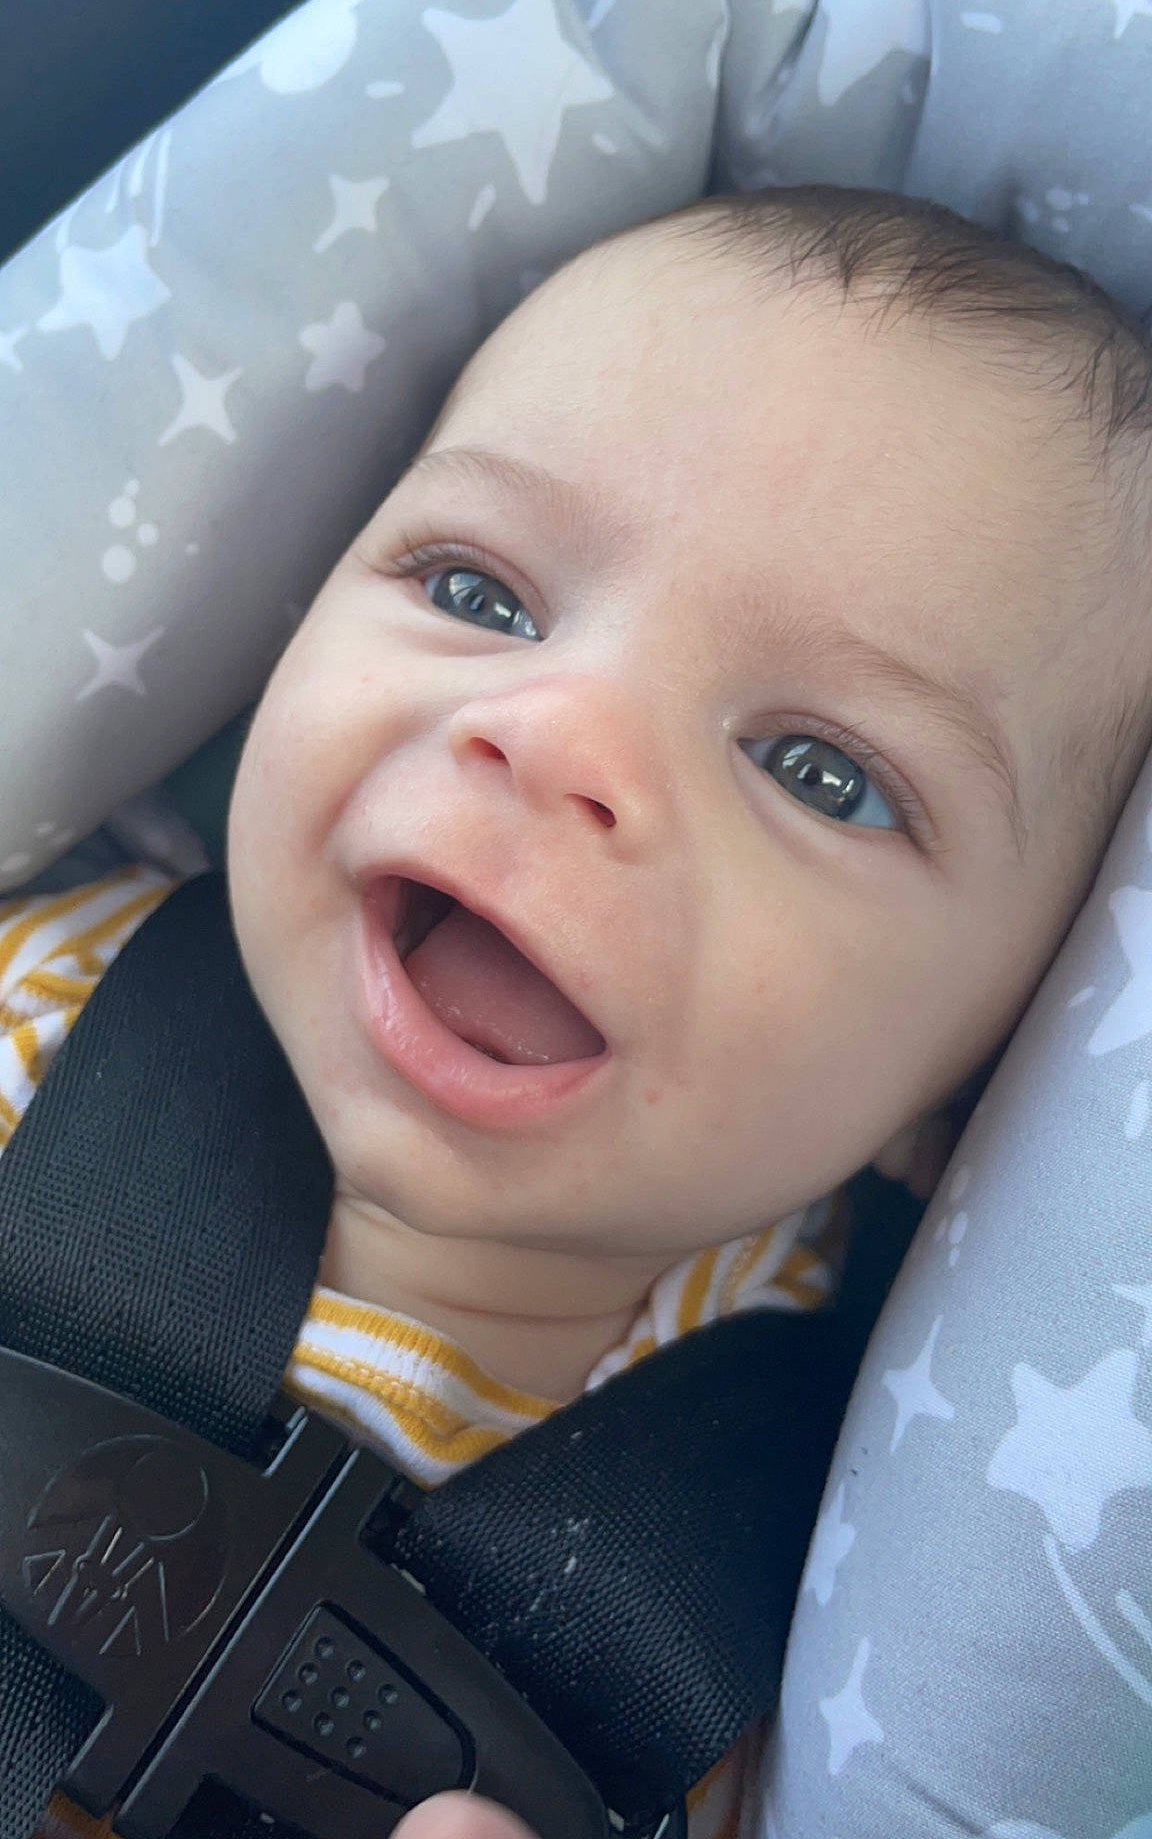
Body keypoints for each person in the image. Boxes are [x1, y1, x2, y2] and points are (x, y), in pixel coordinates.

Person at [6, 184, 1152, 1839]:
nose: (561, 738)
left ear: (980, 1087)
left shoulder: (812, 1557)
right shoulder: (42, 999)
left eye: (819, 772)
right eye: (479, 593)